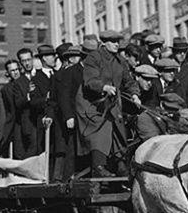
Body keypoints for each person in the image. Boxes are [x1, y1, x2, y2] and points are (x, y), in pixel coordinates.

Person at [77, 30, 141, 177]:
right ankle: (98, 166)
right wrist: (104, 87)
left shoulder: (120, 60)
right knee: (102, 129)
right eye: (113, 42)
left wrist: (135, 94)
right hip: (91, 103)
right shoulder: (94, 57)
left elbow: (129, 81)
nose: (117, 44)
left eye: (118, 41)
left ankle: (119, 164)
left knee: (118, 128)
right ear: (104, 43)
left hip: (111, 102)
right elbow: (89, 80)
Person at [45, 43, 86, 181]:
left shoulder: (81, 71)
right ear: (68, 58)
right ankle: (61, 177)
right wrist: (66, 115)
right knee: (65, 148)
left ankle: (72, 175)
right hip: (64, 117)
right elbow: (56, 98)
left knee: (74, 147)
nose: (78, 58)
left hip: (78, 114)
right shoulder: (59, 75)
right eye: (74, 56)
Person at [7, 48, 38, 159]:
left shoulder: (40, 75)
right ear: (20, 63)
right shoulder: (18, 83)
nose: (27, 63)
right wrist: (28, 96)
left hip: (43, 121)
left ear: (33, 59)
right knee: (32, 152)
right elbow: (18, 103)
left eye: (29, 60)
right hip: (29, 124)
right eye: (24, 61)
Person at [0, 59, 22, 157]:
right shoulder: (3, 91)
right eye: (12, 70)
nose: (16, 72)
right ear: (7, 73)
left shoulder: (27, 83)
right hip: (9, 130)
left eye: (17, 69)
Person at [171, 37, 188, 109]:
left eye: (184, 52)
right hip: (170, 107)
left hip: (184, 108)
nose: (182, 54)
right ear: (174, 52)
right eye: (179, 51)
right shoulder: (168, 67)